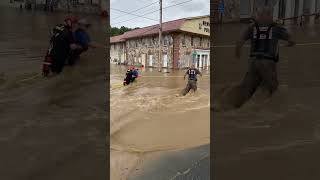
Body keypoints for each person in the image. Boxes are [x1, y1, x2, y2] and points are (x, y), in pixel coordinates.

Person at [222, 6, 295, 109]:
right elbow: (292, 40)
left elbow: (239, 42)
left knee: (247, 89)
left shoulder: (252, 27)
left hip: (253, 62)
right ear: (269, 16)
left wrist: (237, 55)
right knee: (273, 90)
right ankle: (258, 110)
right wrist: (287, 45)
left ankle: (228, 105)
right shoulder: (277, 27)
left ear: (259, 16)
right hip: (268, 63)